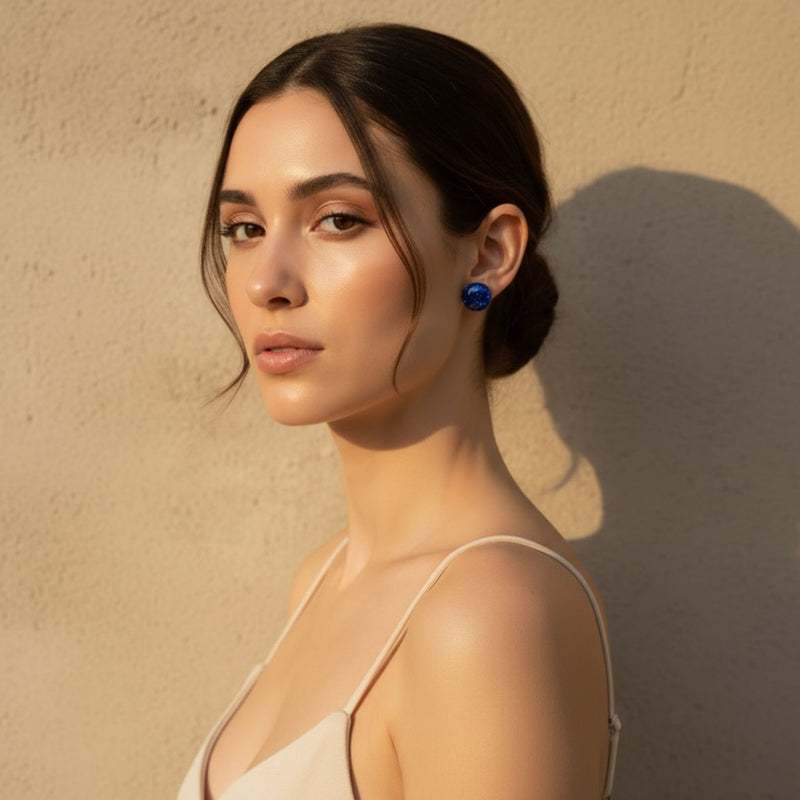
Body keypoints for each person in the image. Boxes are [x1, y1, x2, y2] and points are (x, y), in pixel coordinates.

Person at [178, 23, 620, 800]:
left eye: (338, 219)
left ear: (489, 252)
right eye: (245, 229)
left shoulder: (485, 615)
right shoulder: (324, 577)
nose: (265, 282)